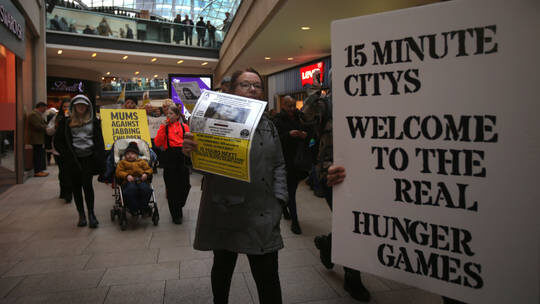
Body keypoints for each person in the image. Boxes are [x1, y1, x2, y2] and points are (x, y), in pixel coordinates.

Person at [182, 68, 287, 304]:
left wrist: (280, 200)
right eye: (245, 85)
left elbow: (279, 163)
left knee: (268, 278)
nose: (252, 89)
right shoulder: (214, 121)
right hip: (225, 209)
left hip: (262, 211)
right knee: (222, 269)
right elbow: (203, 168)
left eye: (257, 86)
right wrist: (191, 153)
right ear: (232, 90)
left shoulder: (268, 124)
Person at [301, 69, 370, 302]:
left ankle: (327, 243)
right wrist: (316, 90)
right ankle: (353, 279)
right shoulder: (326, 104)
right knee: (349, 224)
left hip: (364, 173)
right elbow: (306, 115)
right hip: (333, 174)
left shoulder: (366, 101)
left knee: (355, 223)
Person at [54, 95, 105, 228]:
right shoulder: (66, 122)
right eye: (78, 105)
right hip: (73, 160)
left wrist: (100, 157)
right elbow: (58, 141)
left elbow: (99, 141)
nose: (81, 107)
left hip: (88, 158)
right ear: (74, 106)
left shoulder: (94, 121)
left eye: (83, 105)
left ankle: (91, 214)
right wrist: (66, 155)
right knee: (76, 187)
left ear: (88, 107)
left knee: (87, 186)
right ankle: (81, 215)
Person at [273, 95, 309, 234]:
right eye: (289, 106)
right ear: (283, 105)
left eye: (294, 105)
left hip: (299, 159)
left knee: (291, 189)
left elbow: (311, 133)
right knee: (291, 191)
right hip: (286, 160)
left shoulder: (300, 117)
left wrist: (305, 135)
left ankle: (285, 210)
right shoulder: (278, 120)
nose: (292, 109)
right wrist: (289, 134)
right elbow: (276, 141)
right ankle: (295, 221)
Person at [154, 104, 191, 224]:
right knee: (172, 188)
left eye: (171, 114)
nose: (168, 116)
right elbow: (158, 142)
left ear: (177, 115)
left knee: (185, 186)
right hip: (170, 160)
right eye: (167, 114)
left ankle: (180, 204)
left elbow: (190, 142)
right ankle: (176, 215)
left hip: (182, 159)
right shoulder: (164, 127)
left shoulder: (184, 127)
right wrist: (162, 128)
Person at [115, 142, 153, 215]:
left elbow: (149, 169)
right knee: (130, 190)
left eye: (132, 154)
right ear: (125, 155)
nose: (130, 155)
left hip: (141, 180)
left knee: (147, 190)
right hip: (128, 182)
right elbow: (118, 172)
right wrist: (126, 175)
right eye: (128, 154)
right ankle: (133, 208)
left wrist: (146, 174)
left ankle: (143, 207)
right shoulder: (122, 163)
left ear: (137, 155)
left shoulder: (142, 162)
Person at [47, 99, 72, 203]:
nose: (66, 109)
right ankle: (64, 191)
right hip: (59, 150)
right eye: (64, 107)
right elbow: (48, 131)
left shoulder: (76, 117)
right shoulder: (56, 118)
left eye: (68, 107)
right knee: (63, 171)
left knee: (70, 171)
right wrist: (56, 127)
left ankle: (69, 191)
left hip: (72, 149)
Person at [28, 102, 49, 177]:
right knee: (37, 155)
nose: (45, 110)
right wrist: (46, 127)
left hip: (39, 138)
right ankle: (37, 171)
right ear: (40, 107)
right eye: (44, 108)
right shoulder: (33, 114)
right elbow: (37, 126)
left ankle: (40, 170)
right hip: (35, 138)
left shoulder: (38, 115)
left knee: (40, 154)